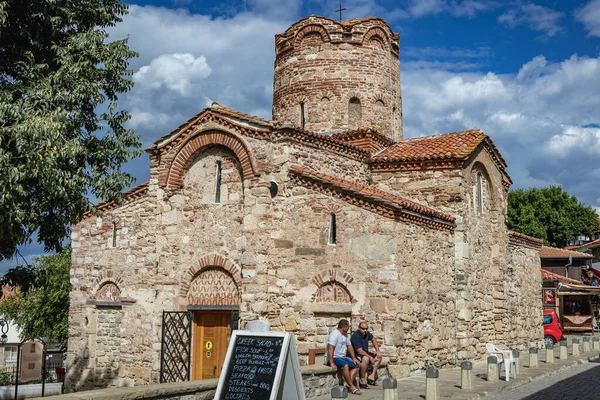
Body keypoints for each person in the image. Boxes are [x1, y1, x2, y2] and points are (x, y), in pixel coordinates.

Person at [327, 319, 362, 395]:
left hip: (343, 357)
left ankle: (348, 386)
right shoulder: (334, 334)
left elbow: (349, 346)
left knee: (357, 365)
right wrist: (332, 363)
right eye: (348, 326)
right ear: (344, 327)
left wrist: (353, 358)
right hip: (335, 357)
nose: (349, 328)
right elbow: (330, 349)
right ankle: (352, 387)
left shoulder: (345, 334)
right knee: (345, 365)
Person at [350, 321, 382, 388]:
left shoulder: (367, 333)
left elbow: (373, 340)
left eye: (366, 329)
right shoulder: (355, 336)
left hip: (365, 353)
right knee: (365, 359)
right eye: (363, 329)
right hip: (356, 355)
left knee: (379, 356)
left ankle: (371, 376)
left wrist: (378, 350)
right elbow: (359, 351)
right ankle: (362, 379)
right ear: (359, 328)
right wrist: (370, 357)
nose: (365, 330)